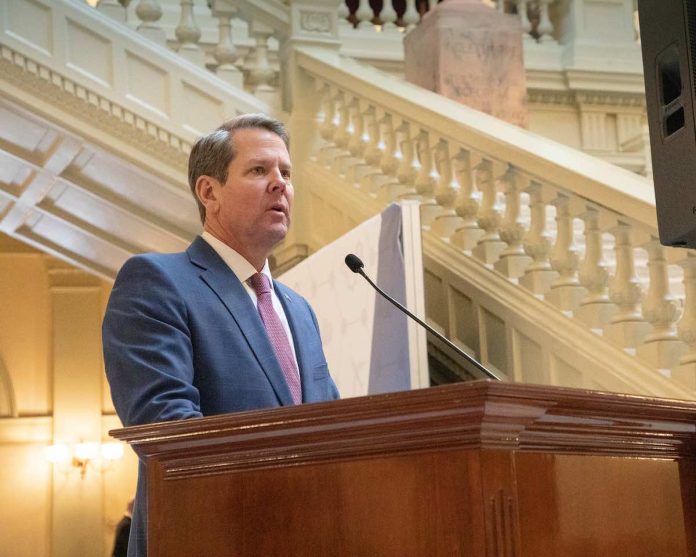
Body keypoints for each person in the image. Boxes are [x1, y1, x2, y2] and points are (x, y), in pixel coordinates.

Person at [103, 113, 340, 557]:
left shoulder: (299, 310)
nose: (280, 184)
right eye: (258, 170)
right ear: (209, 192)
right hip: (210, 538)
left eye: (286, 173)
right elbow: (169, 435)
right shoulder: (157, 281)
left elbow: (332, 429)